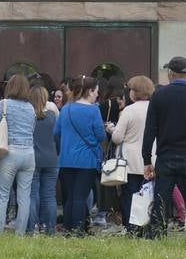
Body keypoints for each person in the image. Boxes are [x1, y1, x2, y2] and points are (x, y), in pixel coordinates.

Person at [141, 58, 186, 238]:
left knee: (161, 201)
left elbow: (150, 130)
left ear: (171, 73)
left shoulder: (159, 95)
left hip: (166, 157)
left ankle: (157, 236)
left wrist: (147, 159)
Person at [55, 75, 105, 235]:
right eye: (96, 91)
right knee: (80, 197)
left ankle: (69, 228)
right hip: (87, 160)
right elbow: (101, 136)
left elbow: (56, 132)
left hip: (66, 159)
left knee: (70, 197)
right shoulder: (94, 110)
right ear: (90, 91)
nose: (97, 94)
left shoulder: (66, 109)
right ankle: (78, 230)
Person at [0, 74, 36, 236]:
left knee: (2, 196)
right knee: (24, 197)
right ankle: (20, 235)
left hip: (11, 153)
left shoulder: (5, 104)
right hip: (29, 154)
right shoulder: (31, 107)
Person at [108, 75, 151, 234]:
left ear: (136, 92)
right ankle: (145, 228)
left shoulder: (129, 110)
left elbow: (117, 137)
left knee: (129, 197)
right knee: (147, 196)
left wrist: (112, 129)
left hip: (131, 161)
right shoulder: (155, 108)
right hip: (150, 160)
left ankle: (130, 228)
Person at [27, 84, 59, 234]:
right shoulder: (52, 115)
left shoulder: (28, 116)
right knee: (49, 195)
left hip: (33, 158)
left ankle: (32, 226)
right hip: (52, 158)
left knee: (32, 194)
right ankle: (50, 228)